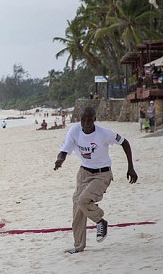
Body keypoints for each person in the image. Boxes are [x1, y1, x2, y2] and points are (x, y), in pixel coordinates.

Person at [53, 107, 137, 254]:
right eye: (83, 120)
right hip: (83, 173)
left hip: (102, 174)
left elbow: (125, 142)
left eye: (89, 120)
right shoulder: (74, 131)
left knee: (83, 200)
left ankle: (100, 221)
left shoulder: (104, 134)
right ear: (80, 119)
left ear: (94, 119)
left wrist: (131, 167)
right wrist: (60, 160)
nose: (86, 123)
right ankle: (78, 246)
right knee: (78, 210)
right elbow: (65, 149)